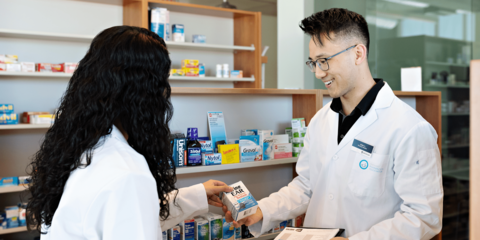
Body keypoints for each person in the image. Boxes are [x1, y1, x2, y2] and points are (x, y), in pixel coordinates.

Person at [224, 8, 443, 240]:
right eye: (313, 62)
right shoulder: (321, 119)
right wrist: (262, 211)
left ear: (358, 54)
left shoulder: (409, 128)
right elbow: (307, 185)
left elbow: (423, 217)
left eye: (324, 61)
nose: (318, 73)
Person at [26, 26, 232, 239]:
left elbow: (123, 213)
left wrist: (197, 194)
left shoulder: (79, 143)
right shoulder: (127, 172)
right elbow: (128, 207)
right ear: (146, 94)